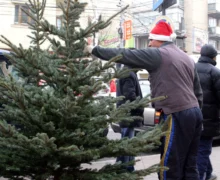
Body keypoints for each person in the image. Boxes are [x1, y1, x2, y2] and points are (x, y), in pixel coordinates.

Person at [84, 21, 203, 180]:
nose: (149, 43)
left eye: (151, 40)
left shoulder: (158, 54)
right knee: (190, 164)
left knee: (169, 165)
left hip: (176, 113)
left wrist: (94, 49)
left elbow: (124, 54)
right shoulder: (186, 58)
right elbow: (198, 92)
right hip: (195, 113)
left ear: (158, 40)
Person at [195, 44, 220, 180]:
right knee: (204, 150)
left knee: (199, 149)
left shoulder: (191, 68)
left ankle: (209, 174)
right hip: (209, 120)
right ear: (213, 56)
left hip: (191, 116)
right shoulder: (214, 72)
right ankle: (201, 177)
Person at [116, 65, 144, 172]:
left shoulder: (126, 72)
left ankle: (121, 166)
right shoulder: (129, 74)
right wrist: (140, 107)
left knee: (125, 141)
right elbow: (130, 95)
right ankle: (127, 168)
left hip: (126, 114)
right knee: (128, 142)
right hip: (129, 115)